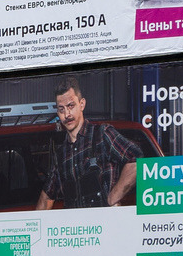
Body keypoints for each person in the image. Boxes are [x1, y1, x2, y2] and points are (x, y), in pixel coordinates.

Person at [35, 76, 139, 209]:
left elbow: (136, 161)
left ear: (82, 104)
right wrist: (35, 226)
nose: (67, 114)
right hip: (78, 228)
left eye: (71, 106)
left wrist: (113, 197)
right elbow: (47, 197)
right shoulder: (61, 155)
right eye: (61, 109)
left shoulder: (102, 134)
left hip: (107, 226)